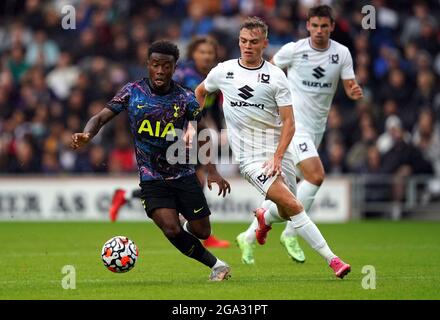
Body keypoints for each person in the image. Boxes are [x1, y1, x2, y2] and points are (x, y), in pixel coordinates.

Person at [195, 17, 351, 278]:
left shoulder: (276, 77)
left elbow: (289, 123)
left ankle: (263, 219)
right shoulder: (223, 71)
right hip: (250, 158)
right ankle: (333, 260)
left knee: (285, 211)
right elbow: (200, 92)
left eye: (254, 42)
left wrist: (279, 156)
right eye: (243, 41)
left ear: (264, 44)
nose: (247, 46)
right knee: (295, 205)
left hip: (279, 153)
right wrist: (192, 123)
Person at [71, 40, 231, 281]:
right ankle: (216, 266)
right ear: (147, 65)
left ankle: (187, 225)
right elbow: (101, 117)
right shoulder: (132, 91)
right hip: (151, 178)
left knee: (202, 231)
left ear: (174, 67)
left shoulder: (185, 98)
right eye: (155, 65)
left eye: (166, 66)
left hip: (183, 175)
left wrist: (213, 171)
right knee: (171, 228)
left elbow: (203, 132)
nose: (160, 71)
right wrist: (87, 134)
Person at [236, 5, 363, 265]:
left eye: (324, 26)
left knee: (288, 195)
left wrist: (354, 91)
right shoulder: (293, 50)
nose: (318, 31)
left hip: (316, 128)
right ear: (307, 26)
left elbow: (349, 86)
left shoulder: (341, 54)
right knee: (316, 176)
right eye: (314, 25)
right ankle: (291, 233)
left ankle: (251, 232)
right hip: (293, 126)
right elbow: (267, 74)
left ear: (332, 27)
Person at [108, 36, 230, 248]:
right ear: (193, 54)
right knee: (190, 179)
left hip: (192, 135)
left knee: (195, 180)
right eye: (202, 52)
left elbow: (209, 110)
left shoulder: (212, 78)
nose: (207, 56)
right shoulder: (185, 78)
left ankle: (127, 195)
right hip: (175, 137)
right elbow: (170, 103)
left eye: (210, 53)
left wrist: (216, 129)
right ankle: (201, 232)